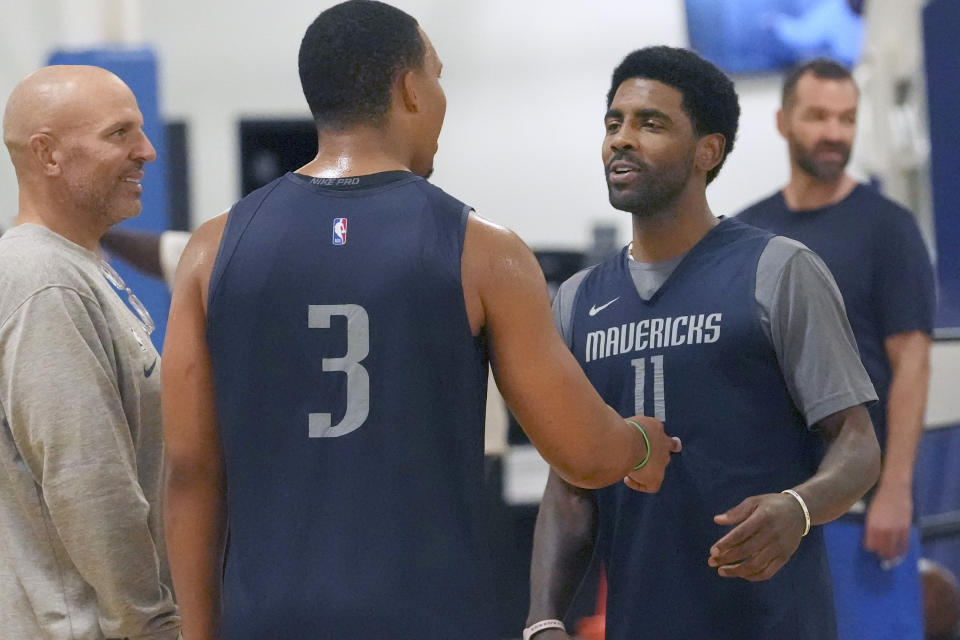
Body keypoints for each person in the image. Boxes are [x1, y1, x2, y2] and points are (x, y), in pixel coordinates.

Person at [160, 2, 679, 639]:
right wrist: (643, 442)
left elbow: (190, 471)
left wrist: (198, 633)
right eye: (436, 76)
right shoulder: (482, 248)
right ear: (409, 88)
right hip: (430, 616)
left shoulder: (211, 250)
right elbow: (584, 453)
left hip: (268, 619)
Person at [525, 46, 882, 640]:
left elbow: (858, 444)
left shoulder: (778, 270)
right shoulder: (578, 300)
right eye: (614, 123)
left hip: (774, 622)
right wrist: (543, 618)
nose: (621, 139)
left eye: (650, 123)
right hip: (641, 620)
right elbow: (569, 485)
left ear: (706, 151)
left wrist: (797, 508)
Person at [737, 58, 936, 640]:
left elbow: (913, 365)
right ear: (782, 122)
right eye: (819, 116)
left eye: (847, 119)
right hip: (772, 509)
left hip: (863, 510)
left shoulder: (889, 228)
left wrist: (895, 490)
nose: (834, 133)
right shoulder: (748, 233)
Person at [0, 66, 180, 639]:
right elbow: (88, 481)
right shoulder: (43, 280)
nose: (146, 152)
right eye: (118, 134)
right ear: (47, 155)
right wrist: (150, 622)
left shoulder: (81, 263)